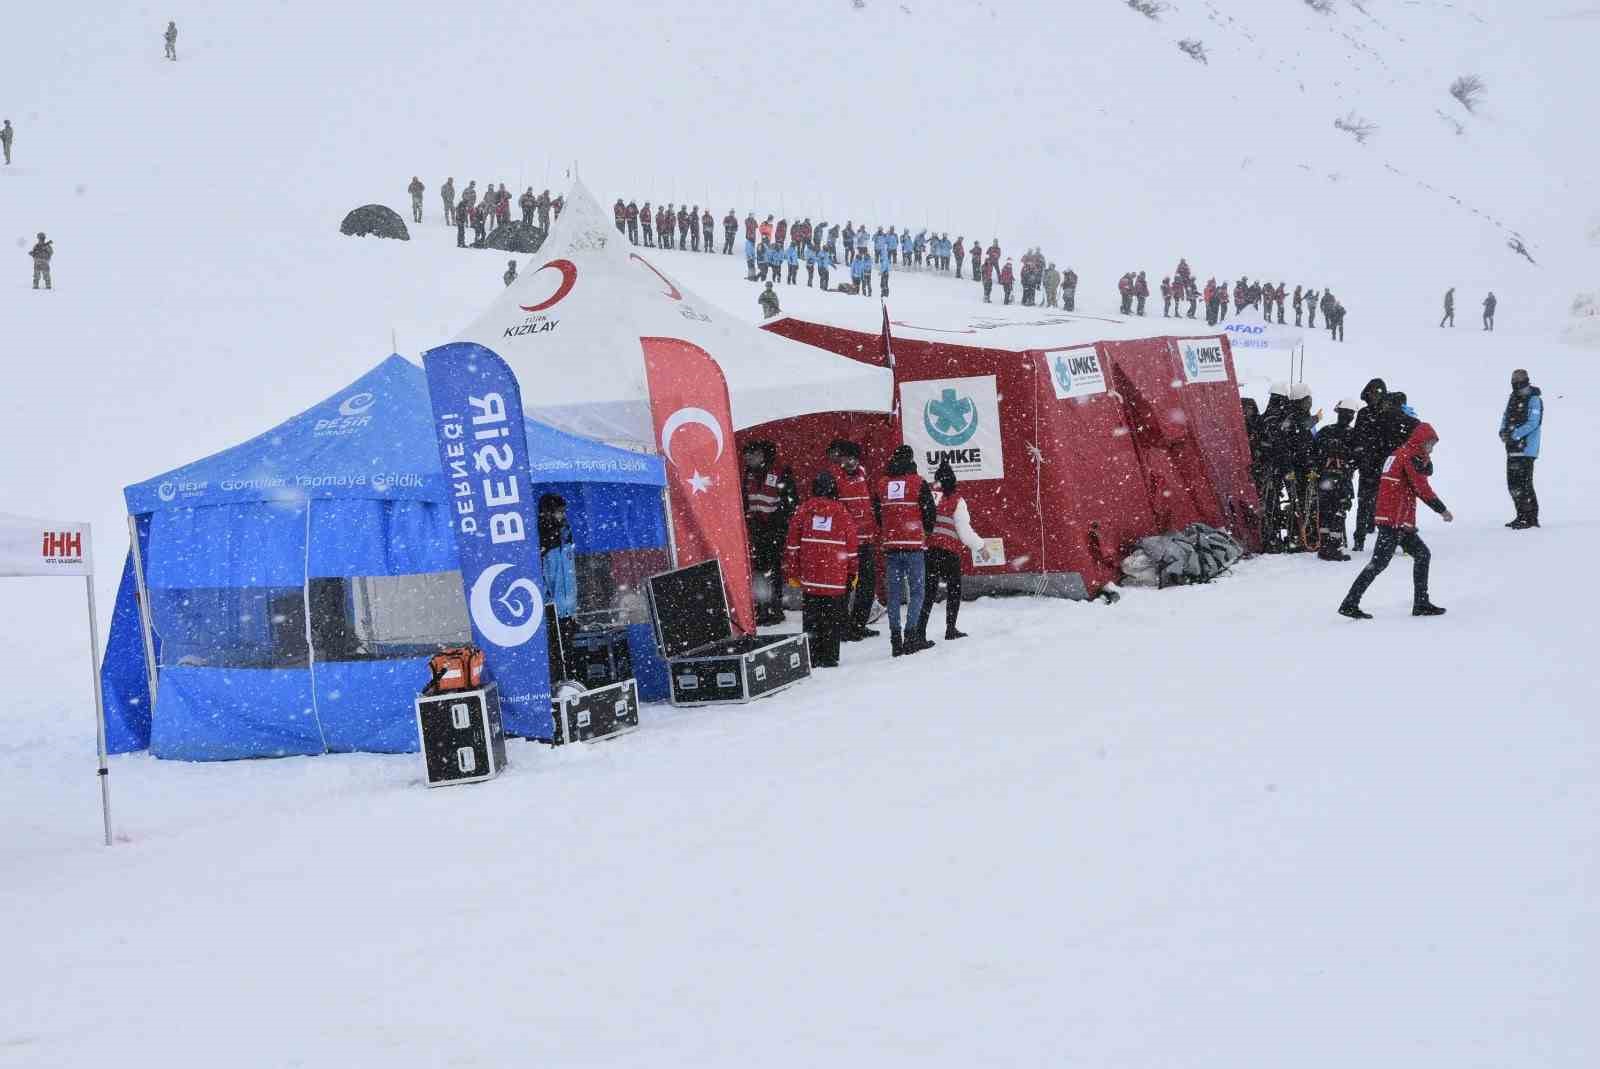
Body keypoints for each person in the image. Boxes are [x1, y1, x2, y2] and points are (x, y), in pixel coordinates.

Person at [1339, 423, 1453, 619]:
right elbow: (1421, 488)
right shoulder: (1408, 457)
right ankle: (1350, 603)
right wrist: (1442, 510)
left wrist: (1425, 460)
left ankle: (1420, 603)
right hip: (1395, 520)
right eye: (1429, 444)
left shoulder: (1399, 454)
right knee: (1380, 563)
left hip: (1393, 518)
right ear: (1420, 441)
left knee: (1419, 555)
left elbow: (1417, 477)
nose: (1431, 449)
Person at [784, 471, 859, 669]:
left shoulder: (803, 510)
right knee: (832, 620)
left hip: (810, 577)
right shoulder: (843, 513)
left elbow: (792, 545)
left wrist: (793, 572)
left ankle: (812, 656)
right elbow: (852, 547)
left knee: (812, 619)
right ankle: (830, 657)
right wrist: (852, 573)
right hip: (835, 579)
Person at [916, 462, 987, 641]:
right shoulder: (956, 499)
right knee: (954, 590)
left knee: (928, 594)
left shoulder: (927, 494)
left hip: (928, 551)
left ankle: (920, 632)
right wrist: (980, 546)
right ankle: (950, 629)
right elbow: (964, 532)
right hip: (948, 552)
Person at [877, 445, 936, 656]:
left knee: (893, 594)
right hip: (913, 546)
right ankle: (911, 636)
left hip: (891, 546)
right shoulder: (918, 482)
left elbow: (878, 513)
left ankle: (895, 639)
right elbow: (929, 512)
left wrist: (889, 531)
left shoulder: (882, 484)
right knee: (917, 592)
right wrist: (924, 531)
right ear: (911, 460)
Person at [741, 440, 799, 625]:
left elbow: (791, 502)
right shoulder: (748, 474)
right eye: (746, 455)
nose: (748, 458)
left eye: (752, 454)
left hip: (774, 530)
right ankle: (761, 608)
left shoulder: (780, 473)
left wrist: (778, 523)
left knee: (774, 570)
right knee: (758, 571)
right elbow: (745, 500)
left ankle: (775, 608)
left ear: (762, 455)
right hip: (756, 530)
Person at [827, 440, 880, 640]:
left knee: (867, 584)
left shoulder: (863, 474)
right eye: (847, 458)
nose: (851, 462)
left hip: (865, 541)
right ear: (840, 458)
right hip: (845, 544)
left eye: (854, 458)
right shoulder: (833, 478)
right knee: (845, 585)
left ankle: (859, 624)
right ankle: (842, 628)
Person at [538, 494, 580, 683]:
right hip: (552, 609)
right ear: (548, 512)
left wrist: (572, 608)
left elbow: (569, 574)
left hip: (566, 608)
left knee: (569, 654)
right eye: (559, 512)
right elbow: (541, 575)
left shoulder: (565, 532)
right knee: (556, 655)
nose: (562, 515)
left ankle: (569, 684)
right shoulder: (540, 536)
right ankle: (559, 685)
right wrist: (548, 601)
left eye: (563, 511)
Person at [1313, 399, 1361, 561]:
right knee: (1337, 512)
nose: (1348, 416)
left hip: (1329, 480)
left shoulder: (1327, 431)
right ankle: (1332, 547)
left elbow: (1313, 452)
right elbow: (1359, 457)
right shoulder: (1352, 435)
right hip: (1338, 481)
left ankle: (1327, 546)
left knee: (1328, 512)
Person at [1499, 368, 1542, 528]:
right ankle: (1521, 516)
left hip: (1527, 449)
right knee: (1513, 485)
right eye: (1513, 380)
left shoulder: (1534, 400)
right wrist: (1502, 432)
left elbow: (1533, 423)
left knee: (1525, 485)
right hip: (1512, 449)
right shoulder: (1513, 398)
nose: (1515, 383)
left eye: (1518, 380)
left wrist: (1514, 434)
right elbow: (1505, 417)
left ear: (1526, 380)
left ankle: (1531, 519)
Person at [1350, 378, 1389, 551]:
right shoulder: (1364, 413)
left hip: (1385, 466)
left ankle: (1387, 541)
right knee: (1364, 504)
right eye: (1372, 392)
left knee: (1385, 504)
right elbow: (1357, 438)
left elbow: (1391, 438)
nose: (1374, 395)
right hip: (1367, 466)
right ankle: (1359, 541)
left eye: (1378, 392)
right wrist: (1359, 460)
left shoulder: (1388, 412)